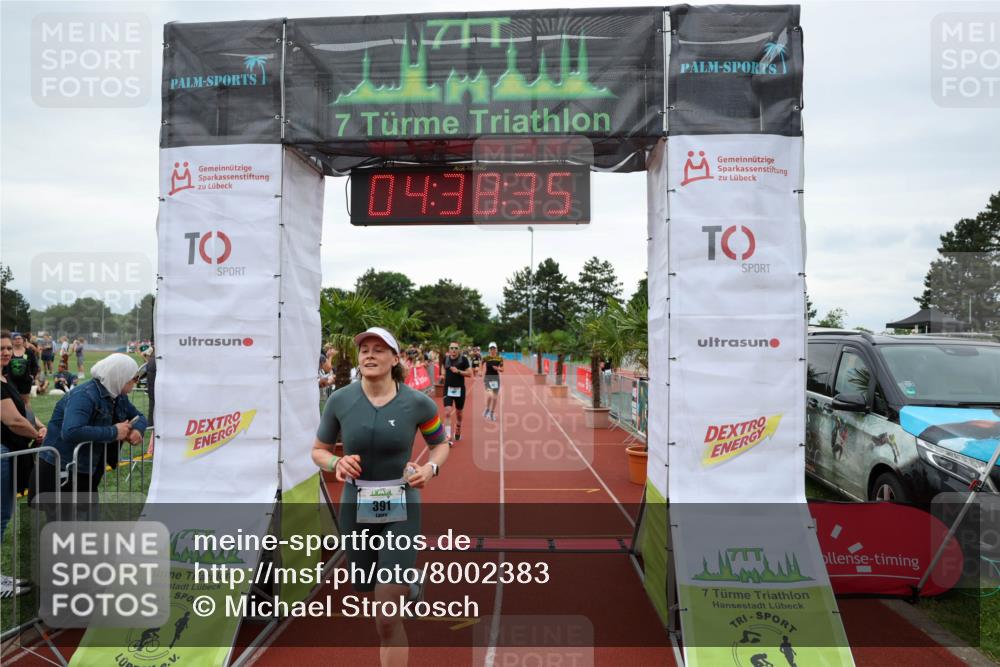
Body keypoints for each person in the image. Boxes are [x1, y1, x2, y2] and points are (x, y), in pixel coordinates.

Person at [311, 326, 449, 667]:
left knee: (386, 615)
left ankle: (403, 587)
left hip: (401, 508)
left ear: (395, 358)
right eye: (365, 350)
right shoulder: (341, 399)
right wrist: (336, 461)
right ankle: (412, 586)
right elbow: (318, 450)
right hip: (356, 508)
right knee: (367, 588)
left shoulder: (417, 403)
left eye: (379, 349)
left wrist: (429, 470)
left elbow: (440, 445)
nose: (369, 355)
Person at [30, 354, 147, 514]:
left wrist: (137, 430)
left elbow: (139, 416)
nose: (136, 382)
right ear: (120, 376)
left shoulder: (118, 395)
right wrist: (114, 432)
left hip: (85, 469)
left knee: (84, 522)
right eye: (134, 378)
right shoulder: (84, 395)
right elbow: (71, 431)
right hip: (63, 470)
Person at [1, 330, 46, 599]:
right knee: (1, 516)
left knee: (4, 515)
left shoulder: (5, 378)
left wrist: (38, 424)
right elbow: (13, 421)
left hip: (9, 452)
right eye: (1, 348)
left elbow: (23, 412)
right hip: (3, 452)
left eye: (8, 348)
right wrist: (38, 433)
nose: (6, 352)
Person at [442, 341, 471, 442]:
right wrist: (442, 375)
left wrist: (458, 371)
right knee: (447, 412)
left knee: (459, 413)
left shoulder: (463, 360)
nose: (453, 350)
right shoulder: (446, 359)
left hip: (460, 390)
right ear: (449, 349)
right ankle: (448, 437)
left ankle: (458, 426)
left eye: (455, 348)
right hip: (448, 389)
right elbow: (443, 369)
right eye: (451, 348)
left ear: (458, 350)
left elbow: (469, 374)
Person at [4, 332, 39, 405]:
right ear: (12, 341)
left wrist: (32, 375)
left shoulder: (29, 352)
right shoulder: (8, 352)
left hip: (25, 381)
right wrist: (5, 375)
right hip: (11, 381)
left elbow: (34, 365)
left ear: (23, 340)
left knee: (25, 402)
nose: (17, 340)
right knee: (12, 401)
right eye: (15, 339)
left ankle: (27, 416)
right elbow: (4, 365)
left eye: (19, 338)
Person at [482, 343, 504, 422]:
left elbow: (502, 369)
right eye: (491, 349)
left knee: (495, 398)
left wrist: (497, 369)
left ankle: (491, 413)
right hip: (488, 378)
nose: (492, 350)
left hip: (496, 378)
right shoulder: (486, 358)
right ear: (489, 350)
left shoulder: (499, 359)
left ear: (496, 349)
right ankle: (487, 409)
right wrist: (480, 371)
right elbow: (482, 363)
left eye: (494, 348)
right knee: (490, 395)